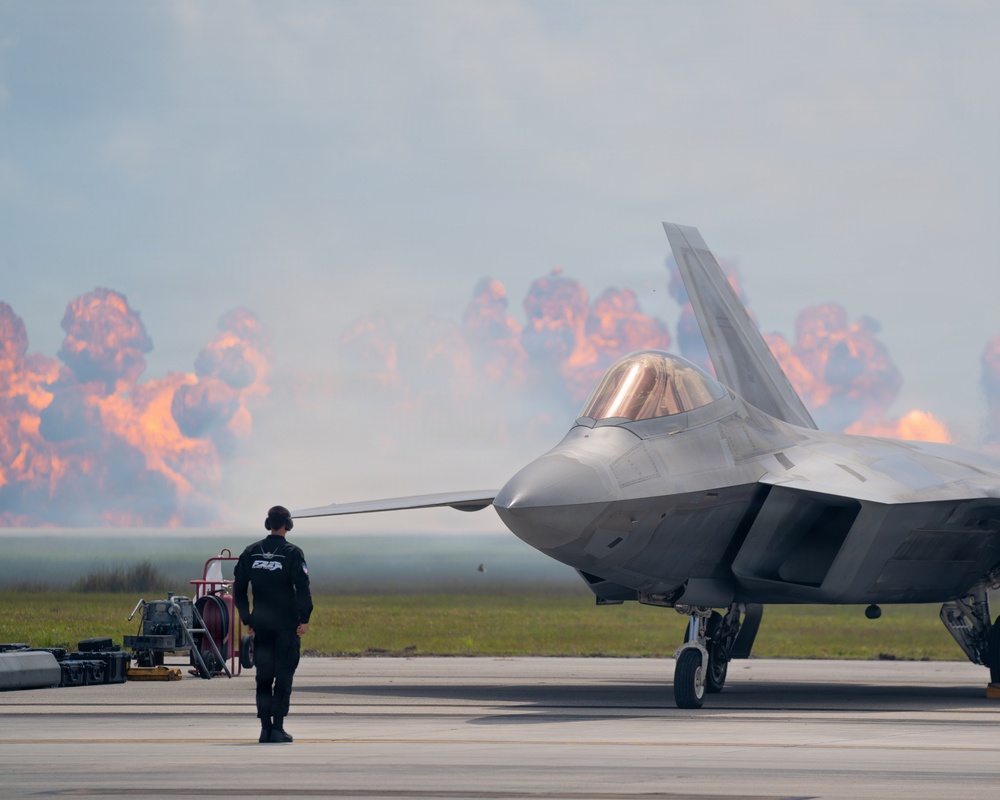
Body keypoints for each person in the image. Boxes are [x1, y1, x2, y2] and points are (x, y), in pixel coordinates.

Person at [234, 505, 313, 744]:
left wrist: (247, 618)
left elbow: (238, 589)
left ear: (268, 524)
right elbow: (303, 590)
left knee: (263, 676)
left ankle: (264, 729)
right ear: (288, 525)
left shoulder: (251, 552)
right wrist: (305, 619)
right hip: (287, 626)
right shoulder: (292, 553)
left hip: (262, 625)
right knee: (284, 675)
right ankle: (277, 728)